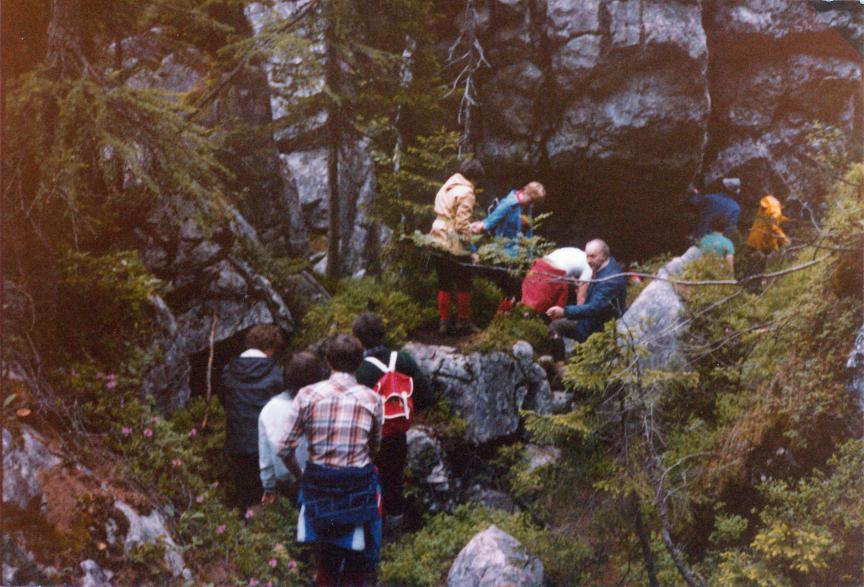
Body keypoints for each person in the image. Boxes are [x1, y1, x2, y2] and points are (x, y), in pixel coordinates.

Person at [279, 334, 384, 587]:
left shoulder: (307, 395)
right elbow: (375, 448)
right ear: (360, 363)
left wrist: (301, 476)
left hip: (319, 486)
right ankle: (369, 561)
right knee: (356, 559)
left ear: (327, 362)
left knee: (326, 559)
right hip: (356, 487)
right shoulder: (373, 399)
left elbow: (284, 448)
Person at [352, 312, 432, 535]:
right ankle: (396, 527)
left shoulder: (359, 370)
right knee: (394, 479)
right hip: (397, 432)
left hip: (368, 437)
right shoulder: (403, 359)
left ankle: (372, 530)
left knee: (369, 481)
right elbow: (426, 396)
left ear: (358, 339)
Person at [219, 324, 285, 510]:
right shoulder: (274, 373)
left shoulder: (229, 369)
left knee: (244, 495)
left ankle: (243, 531)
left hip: (237, 442)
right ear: (271, 348)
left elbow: (224, 399)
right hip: (265, 444)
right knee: (266, 497)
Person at [258, 352, 323, 505]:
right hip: (320, 480)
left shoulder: (269, 409)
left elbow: (265, 457)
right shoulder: (324, 405)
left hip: (286, 483)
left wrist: (268, 487)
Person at [469, 182, 546, 310]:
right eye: (531, 201)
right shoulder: (509, 204)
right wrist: (475, 227)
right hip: (504, 254)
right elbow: (490, 222)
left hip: (520, 256)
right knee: (510, 290)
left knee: (516, 291)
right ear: (525, 192)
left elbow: (529, 233)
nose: (531, 204)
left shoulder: (528, 207)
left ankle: (507, 317)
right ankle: (502, 317)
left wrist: (530, 257)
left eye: (534, 203)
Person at [546, 239, 628, 360]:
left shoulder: (610, 280)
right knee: (555, 326)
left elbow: (594, 308)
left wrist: (565, 312)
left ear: (604, 256)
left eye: (593, 256)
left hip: (598, 330)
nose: (589, 261)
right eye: (587, 256)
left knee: (556, 326)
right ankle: (561, 366)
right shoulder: (605, 267)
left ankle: (562, 369)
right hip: (589, 323)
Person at [429, 159, 485, 334]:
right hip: (453, 241)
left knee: (444, 282)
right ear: (474, 178)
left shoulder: (446, 187)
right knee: (464, 282)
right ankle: (463, 321)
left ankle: (444, 322)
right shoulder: (467, 192)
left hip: (437, 237)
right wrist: (471, 248)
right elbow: (461, 226)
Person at [738, 194, 791, 291]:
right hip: (762, 244)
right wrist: (784, 238)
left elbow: (767, 219)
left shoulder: (768, 202)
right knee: (758, 270)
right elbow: (773, 226)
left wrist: (785, 219)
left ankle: (743, 288)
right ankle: (753, 292)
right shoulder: (776, 210)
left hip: (753, 239)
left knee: (749, 266)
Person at [521, 246, 593, 315]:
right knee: (542, 309)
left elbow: (570, 270)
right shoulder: (590, 267)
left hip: (538, 267)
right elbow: (581, 297)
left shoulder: (579, 253)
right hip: (551, 273)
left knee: (526, 306)